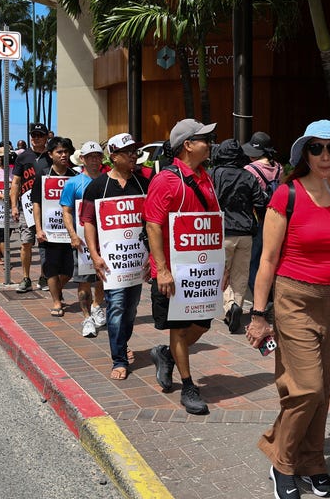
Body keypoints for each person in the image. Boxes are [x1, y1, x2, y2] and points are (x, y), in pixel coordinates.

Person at [246, 120, 330, 499]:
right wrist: (258, 314)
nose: (326, 156)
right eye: (316, 149)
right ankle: (282, 462)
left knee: (324, 389)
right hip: (293, 299)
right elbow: (267, 259)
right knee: (306, 388)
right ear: (304, 154)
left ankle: (312, 460)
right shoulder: (287, 195)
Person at [145, 118, 221, 415]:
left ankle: (166, 354)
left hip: (201, 270)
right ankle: (188, 385)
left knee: (202, 324)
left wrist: (219, 267)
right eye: (204, 139)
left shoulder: (207, 176)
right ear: (188, 145)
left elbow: (212, 224)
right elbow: (153, 225)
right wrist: (162, 270)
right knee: (177, 327)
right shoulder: (166, 179)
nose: (210, 143)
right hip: (174, 271)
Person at [82, 133, 150, 380]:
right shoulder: (98, 186)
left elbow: (152, 221)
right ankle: (118, 359)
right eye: (128, 151)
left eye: (135, 150)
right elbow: (88, 220)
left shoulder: (143, 183)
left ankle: (122, 342)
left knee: (130, 309)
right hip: (111, 263)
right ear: (113, 156)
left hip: (137, 262)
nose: (134, 155)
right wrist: (94, 254)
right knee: (117, 307)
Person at [211, 139, 268, 333]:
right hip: (246, 233)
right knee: (240, 274)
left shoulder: (214, 175)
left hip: (222, 232)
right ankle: (237, 304)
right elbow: (260, 202)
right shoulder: (248, 176)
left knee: (222, 273)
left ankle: (230, 308)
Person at [61, 141, 108, 337]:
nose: (94, 159)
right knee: (83, 282)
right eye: (90, 156)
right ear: (83, 159)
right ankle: (87, 317)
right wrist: (72, 235)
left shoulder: (108, 180)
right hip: (81, 240)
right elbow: (66, 210)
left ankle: (97, 305)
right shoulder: (73, 183)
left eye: (97, 156)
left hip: (105, 239)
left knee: (103, 278)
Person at [33, 137, 77, 317]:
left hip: (70, 233)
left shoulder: (75, 176)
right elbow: (36, 203)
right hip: (48, 232)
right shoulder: (43, 175)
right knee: (51, 267)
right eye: (59, 152)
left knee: (68, 270)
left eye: (66, 151)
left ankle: (56, 289)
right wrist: (38, 229)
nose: (63, 155)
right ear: (50, 155)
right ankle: (56, 301)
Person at [12, 123, 52, 293]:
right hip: (27, 208)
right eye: (33, 135)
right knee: (26, 243)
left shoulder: (51, 156)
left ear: (46, 137)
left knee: (46, 244)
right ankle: (26, 278)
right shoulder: (23, 157)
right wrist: (14, 206)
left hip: (47, 207)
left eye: (40, 135)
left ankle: (44, 276)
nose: (36, 138)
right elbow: (15, 182)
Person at [242, 131, 283, 299]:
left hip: (258, 219)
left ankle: (261, 299)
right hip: (277, 218)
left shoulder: (250, 169)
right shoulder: (279, 167)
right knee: (272, 258)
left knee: (255, 261)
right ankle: (272, 295)